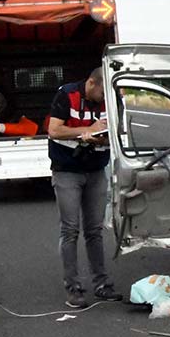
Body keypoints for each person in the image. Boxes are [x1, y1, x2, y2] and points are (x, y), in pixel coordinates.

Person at [48, 67, 123, 307]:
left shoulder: (112, 99)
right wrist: (84, 132)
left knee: (95, 230)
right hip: (67, 171)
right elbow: (54, 130)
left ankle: (101, 284)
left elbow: (120, 133)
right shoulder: (67, 94)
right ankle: (73, 288)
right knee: (70, 230)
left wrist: (102, 137)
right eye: (103, 93)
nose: (105, 99)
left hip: (96, 170)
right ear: (91, 83)